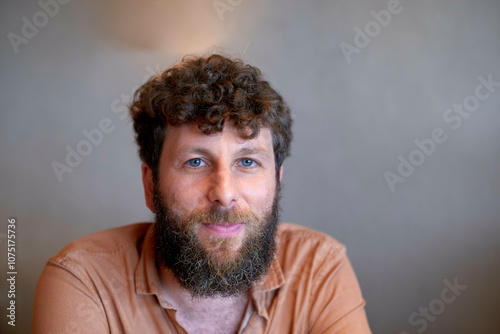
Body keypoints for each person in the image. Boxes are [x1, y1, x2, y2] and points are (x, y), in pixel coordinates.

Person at [33, 54, 371, 333]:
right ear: (151, 186)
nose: (224, 193)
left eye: (248, 161)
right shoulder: (83, 280)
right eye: (195, 161)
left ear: (277, 182)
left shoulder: (319, 268)